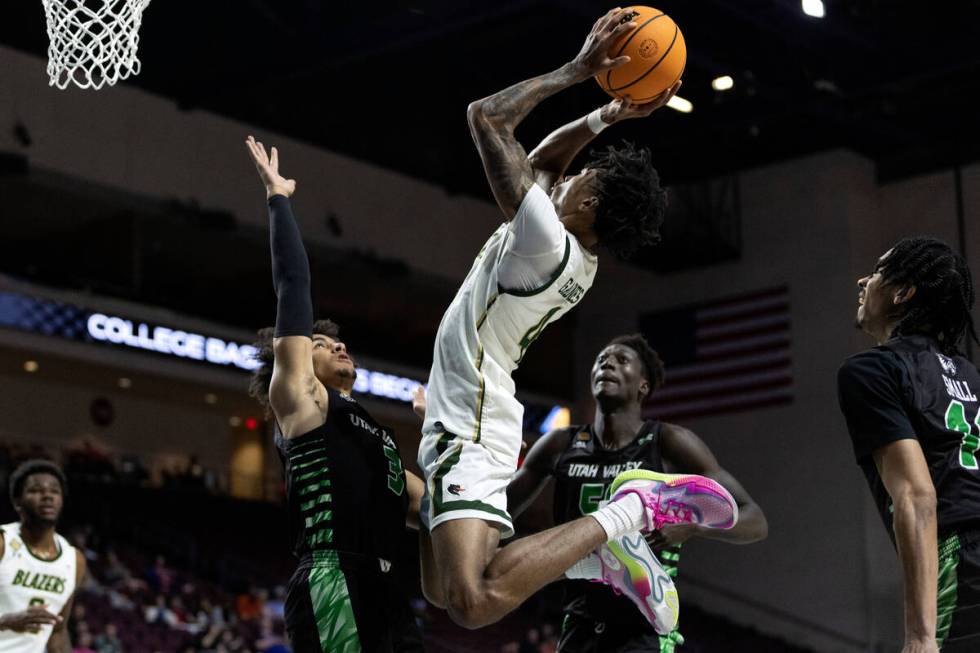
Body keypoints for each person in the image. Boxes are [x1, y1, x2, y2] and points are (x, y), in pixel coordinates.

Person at [416, 8, 737, 631]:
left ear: (587, 200)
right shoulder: (573, 254)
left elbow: (485, 117)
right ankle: (599, 558)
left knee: (470, 600)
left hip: (472, 408)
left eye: (580, 177)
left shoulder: (543, 238)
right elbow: (540, 162)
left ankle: (624, 515)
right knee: (443, 589)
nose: (565, 175)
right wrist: (604, 115)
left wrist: (579, 71)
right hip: (479, 406)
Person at [245, 136, 425, 652]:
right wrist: (278, 198)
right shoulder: (304, 402)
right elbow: (293, 285)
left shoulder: (377, 435)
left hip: (391, 590)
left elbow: (430, 508)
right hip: (332, 578)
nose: (337, 345)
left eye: (339, 340)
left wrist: (442, 430)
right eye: (320, 343)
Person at [508, 334, 768, 652]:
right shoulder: (559, 445)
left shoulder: (668, 442)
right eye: (602, 359)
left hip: (644, 626)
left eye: (621, 360)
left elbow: (755, 520)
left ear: (643, 385)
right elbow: (501, 512)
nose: (608, 363)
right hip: (579, 620)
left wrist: (693, 527)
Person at [837, 237, 980, 653]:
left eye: (878, 271)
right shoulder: (970, 375)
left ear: (902, 293)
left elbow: (917, 496)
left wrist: (920, 637)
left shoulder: (872, 370)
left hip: (962, 560)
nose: (864, 280)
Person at [0, 460, 86, 653]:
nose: (47, 496)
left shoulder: (74, 560)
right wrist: (5, 621)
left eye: (55, 491)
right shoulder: (3, 542)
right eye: (36, 490)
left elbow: (58, 632)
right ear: (17, 502)